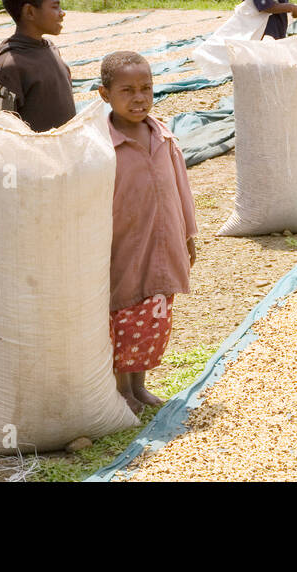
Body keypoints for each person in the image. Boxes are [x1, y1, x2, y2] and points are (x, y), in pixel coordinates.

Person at [98, 50, 197, 414]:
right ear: (104, 95)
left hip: (163, 243)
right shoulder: (102, 147)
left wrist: (187, 234)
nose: (139, 98)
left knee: (153, 318)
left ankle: (139, 386)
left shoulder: (163, 136)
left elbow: (181, 188)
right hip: (123, 249)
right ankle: (121, 390)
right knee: (122, 318)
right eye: (127, 91)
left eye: (146, 89)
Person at [0, 0, 75, 132]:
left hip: (64, 152)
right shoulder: (8, 67)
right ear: (30, 12)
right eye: (55, 6)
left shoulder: (50, 49)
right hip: (35, 155)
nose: (62, 12)